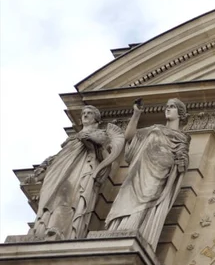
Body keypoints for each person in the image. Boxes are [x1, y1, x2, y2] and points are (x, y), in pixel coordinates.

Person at [106, 98, 190, 250]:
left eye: (172, 107)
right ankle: (119, 230)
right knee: (128, 198)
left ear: (180, 113)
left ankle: (139, 231)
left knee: (148, 201)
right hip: (140, 170)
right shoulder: (154, 128)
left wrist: (181, 163)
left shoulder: (182, 138)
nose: (168, 109)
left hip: (160, 174)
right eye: (167, 106)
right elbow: (129, 136)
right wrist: (136, 115)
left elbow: (181, 163)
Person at [30, 106, 123, 240]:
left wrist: (90, 140)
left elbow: (105, 155)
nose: (85, 115)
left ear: (96, 118)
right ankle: (42, 228)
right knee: (52, 197)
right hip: (59, 170)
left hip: (81, 167)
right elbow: (59, 156)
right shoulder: (71, 139)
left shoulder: (101, 134)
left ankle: (58, 228)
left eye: (89, 113)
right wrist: (44, 167)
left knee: (67, 195)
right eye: (84, 113)